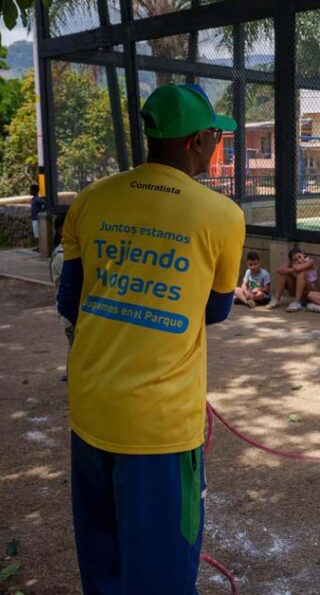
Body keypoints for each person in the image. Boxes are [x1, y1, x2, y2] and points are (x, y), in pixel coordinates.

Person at [56, 83, 245, 593]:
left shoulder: (93, 198)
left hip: (90, 405)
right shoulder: (223, 215)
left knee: (103, 558)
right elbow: (217, 309)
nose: (216, 146)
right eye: (214, 136)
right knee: (162, 570)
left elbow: (70, 299)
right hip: (158, 424)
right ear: (194, 142)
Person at [49, 212, 72, 382]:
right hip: (70, 309)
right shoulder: (62, 256)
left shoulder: (66, 252)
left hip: (68, 308)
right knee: (76, 345)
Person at [267, 248, 318, 312]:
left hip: (310, 292)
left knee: (301, 273)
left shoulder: (310, 261)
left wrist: (293, 266)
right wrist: (291, 266)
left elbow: (298, 269)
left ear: (303, 254)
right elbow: (279, 270)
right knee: (283, 274)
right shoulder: (293, 264)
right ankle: (276, 300)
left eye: (299, 257)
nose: (299, 260)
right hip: (298, 291)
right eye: (295, 260)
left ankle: (296, 303)